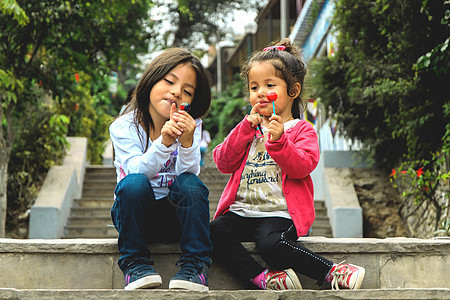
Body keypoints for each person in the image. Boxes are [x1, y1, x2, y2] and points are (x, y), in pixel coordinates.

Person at [210, 39, 366, 291]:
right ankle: (261, 278)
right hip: (241, 212)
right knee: (213, 231)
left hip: (279, 215)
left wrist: (280, 140)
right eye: (254, 87)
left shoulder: (302, 129)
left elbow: (302, 167)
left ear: (293, 91)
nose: (260, 92)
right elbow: (222, 162)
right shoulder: (247, 128)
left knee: (271, 246)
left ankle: (332, 272)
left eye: (269, 85)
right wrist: (242, 131)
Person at [109, 48, 213, 292]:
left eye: (187, 91)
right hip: (134, 217)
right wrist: (164, 143)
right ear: (152, 79)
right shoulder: (124, 126)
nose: (177, 92)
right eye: (169, 81)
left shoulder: (191, 125)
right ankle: (135, 264)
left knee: (190, 184)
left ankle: (196, 266)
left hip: (174, 217)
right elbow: (136, 170)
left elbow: (189, 173)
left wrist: (186, 143)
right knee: (133, 183)